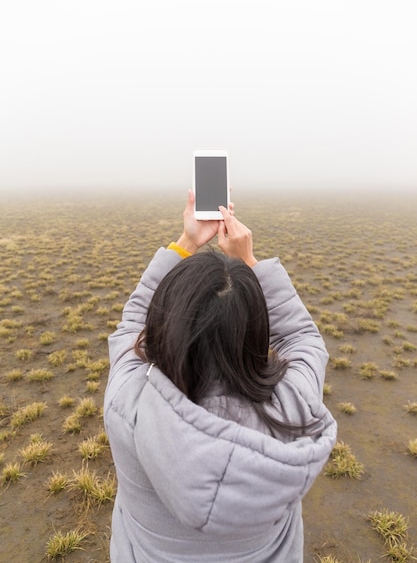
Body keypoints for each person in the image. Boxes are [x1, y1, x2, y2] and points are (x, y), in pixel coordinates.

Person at [104, 190, 337, 563]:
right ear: (257, 332)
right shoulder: (294, 408)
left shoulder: (129, 403)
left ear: (164, 327)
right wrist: (247, 261)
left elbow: (131, 325)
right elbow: (303, 338)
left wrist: (188, 242)